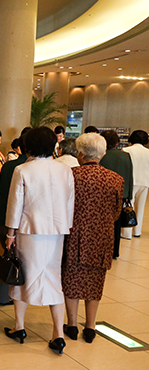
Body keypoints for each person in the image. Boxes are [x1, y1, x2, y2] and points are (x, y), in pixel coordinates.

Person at [4, 127, 74, 355]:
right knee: (54, 277)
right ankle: (58, 334)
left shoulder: (22, 169)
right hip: (57, 231)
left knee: (22, 276)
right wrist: (66, 226)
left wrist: (10, 234)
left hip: (29, 230)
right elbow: (70, 202)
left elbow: (15, 204)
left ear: (29, 146)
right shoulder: (65, 170)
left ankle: (20, 327)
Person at [62, 133, 124, 344]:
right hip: (102, 237)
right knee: (95, 280)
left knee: (71, 277)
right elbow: (116, 212)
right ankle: (90, 327)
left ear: (80, 154)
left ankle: (71, 325)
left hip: (74, 235)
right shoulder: (116, 179)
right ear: (103, 154)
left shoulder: (71, 176)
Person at [0, 129, 29, 305]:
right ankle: (4, 296)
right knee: (14, 258)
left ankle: (1, 294)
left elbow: (1, 190)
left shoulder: (8, 165)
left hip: (0, 215)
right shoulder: (27, 169)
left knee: (8, 255)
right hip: (16, 220)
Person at [99, 130, 133, 259]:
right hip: (121, 193)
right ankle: (115, 251)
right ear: (117, 142)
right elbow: (129, 175)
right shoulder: (125, 156)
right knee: (116, 224)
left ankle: (102, 249)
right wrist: (128, 194)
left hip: (103, 193)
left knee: (102, 223)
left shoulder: (101, 155)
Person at [121, 130, 149, 240]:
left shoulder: (126, 150)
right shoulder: (148, 152)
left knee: (128, 206)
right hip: (145, 182)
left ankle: (126, 232)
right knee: (140, 208)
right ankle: (137, 231)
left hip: (131, 181)